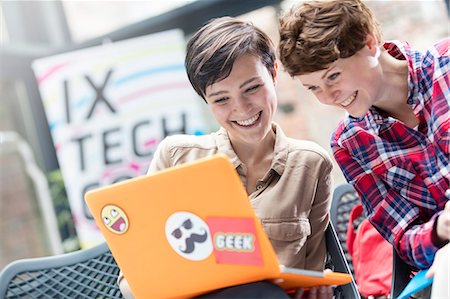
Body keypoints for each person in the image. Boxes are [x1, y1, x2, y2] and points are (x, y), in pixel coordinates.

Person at [118, 17, 335, 299]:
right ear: (206, 101)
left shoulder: (310, 164)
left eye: (252, 88)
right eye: (221, 99)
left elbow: (311, 270)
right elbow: (133, 282)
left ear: (273, 74)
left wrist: (317, 286)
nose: (242, 108)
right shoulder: (176, 157)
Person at [278, 0, 449, 279]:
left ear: (369, 43)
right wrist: (440, 228)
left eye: (333, 76)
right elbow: (404, 241)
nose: (328, 97)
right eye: (313, 88)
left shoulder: (446, 66)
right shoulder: (350, 144)